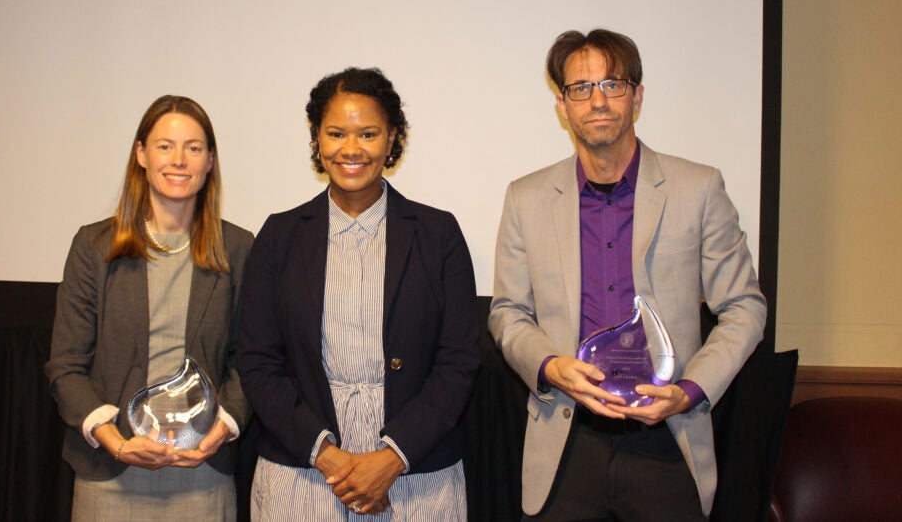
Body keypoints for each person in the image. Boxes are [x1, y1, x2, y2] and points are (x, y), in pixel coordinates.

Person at [488, 29, 767, 521]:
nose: (598, 100)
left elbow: (744, 308)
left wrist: (689, 392)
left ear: (636, 97)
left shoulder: (698, 188)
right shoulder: (525, 198)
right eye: (581, 88)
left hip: (668, 444)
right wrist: (550, 366)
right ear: (562, 105)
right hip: (565, 445)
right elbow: (508, 313)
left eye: (612, 84)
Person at [237, 67, 480, 520]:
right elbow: (257, 362)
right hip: (302, 468)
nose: (351, 149)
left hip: (415, 471)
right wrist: (329, 456)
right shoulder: (279, 235)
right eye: (335, 134)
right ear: (317, 140)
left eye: (368, 133)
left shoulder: (437, 234)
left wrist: (391, 457)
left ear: (392, 139)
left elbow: (459, 360)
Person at [46, 95, 253, 520]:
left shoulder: (238, 248)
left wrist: (218, 433)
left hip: (202, 476)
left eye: (194, 148)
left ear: (210, 160)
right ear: (141, 154)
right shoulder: (93, 247)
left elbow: (249, 361)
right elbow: (66, 366)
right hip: (111, 473)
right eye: (164, 146)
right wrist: (116, 442)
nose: (179, 160)